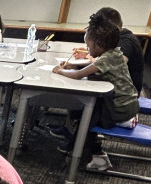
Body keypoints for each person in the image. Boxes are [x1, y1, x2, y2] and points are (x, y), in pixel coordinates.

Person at [52, 13, 139, 171]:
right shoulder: (114, 53)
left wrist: (60, 71)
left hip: (121, 109)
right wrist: (73, 66)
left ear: (98, 46)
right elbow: (89, 69)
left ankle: (91, 152)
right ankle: (85, 148)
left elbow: (79, 76)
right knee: (86, 114)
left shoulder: (106, 59)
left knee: (87, 117)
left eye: (89, 46)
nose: (87, 49)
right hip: (125, 103)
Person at [95, 7, 144, 95]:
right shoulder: (116, 37)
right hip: (119, 87)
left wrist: (89, 63)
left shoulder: (126, 41)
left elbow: (115, 62)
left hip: (127, 94)